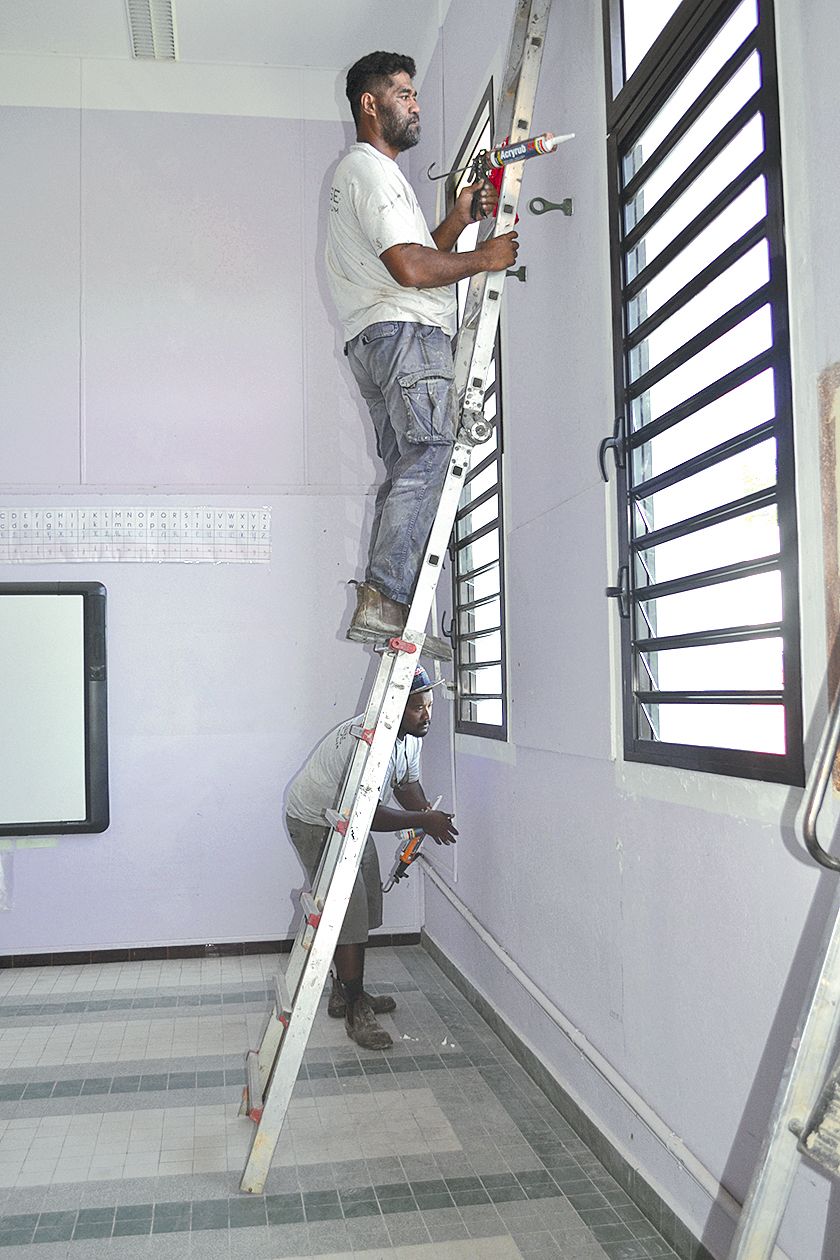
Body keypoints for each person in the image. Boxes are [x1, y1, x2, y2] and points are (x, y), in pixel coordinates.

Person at [326, 50, 519, 658]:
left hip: (379, 337)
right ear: (370, 103)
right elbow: (411, 271)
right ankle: (387, 596)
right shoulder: (371, 172)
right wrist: (487, 259)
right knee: (431, 455)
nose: (415, 105)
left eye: (413, 95)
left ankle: (389, 601)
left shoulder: (372, 176)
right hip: (404, 335)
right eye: (404, 94)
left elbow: (410, 258)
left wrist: (458, 222)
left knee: (409, 465)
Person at [285, 666, 458, 1050]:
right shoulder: (369, 745)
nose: (427, 715)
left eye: (429, 705)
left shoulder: (409, 736)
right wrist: (422, 819)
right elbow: (370, 813)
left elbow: (406, 783)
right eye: (418, 708)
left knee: (366, 908)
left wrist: (427, 816)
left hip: (348, 824)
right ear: (395, 709)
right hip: (316, 821)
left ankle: (347, 991)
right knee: (348, 912)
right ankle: (354, 1011)